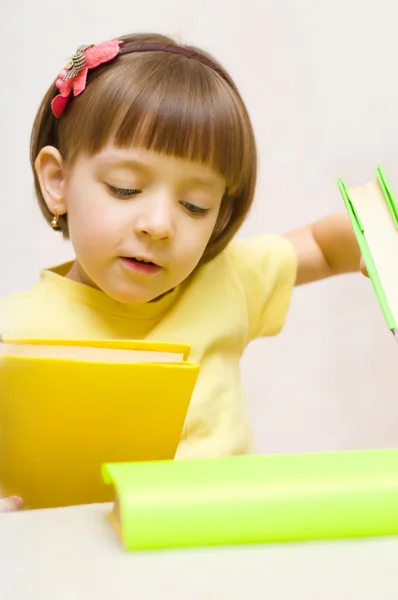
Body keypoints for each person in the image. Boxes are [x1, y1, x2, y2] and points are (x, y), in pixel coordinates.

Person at [0, 32, 364, 511]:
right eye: (126, 189)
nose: (159, 225)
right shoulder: (14, 337)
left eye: (194, 205)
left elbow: (324, 244)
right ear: (58, 182)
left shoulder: (225, 279)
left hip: (229, 559)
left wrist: (377, 237)